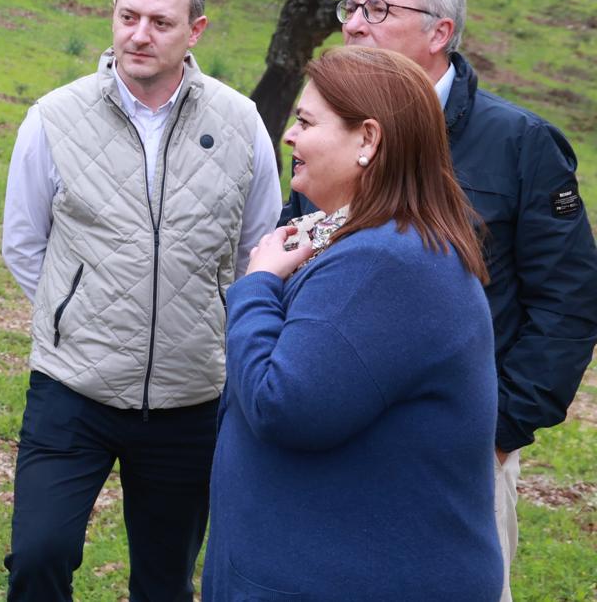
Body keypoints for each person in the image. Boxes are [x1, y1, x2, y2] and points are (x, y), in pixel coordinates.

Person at [284, 0, 597, 600]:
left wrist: (501, 430)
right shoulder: (330, 132)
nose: (356, 25)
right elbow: (299, 256)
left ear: (439, 33)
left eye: (378, 11)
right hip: (337, 433)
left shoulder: (521, 143)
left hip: (461, 452)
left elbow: (569, 302)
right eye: (352, 7)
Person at [2, 0, 281, 602]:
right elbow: (24, 243)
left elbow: (256, 252)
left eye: (160, 21)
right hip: (73, 390)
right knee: (38, 557)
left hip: (191, 399)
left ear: (196, 31)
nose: (139, 34)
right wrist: (76, 317)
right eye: (128, 17)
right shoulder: (53, 118)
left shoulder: (241, 125)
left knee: (165, 583)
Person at [207, 46, 501, 600]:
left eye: (305, 121)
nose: (289, 137)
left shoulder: (383, 264)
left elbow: (284, 404)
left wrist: (257, 285)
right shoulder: (374, 243)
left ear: (368, 140)